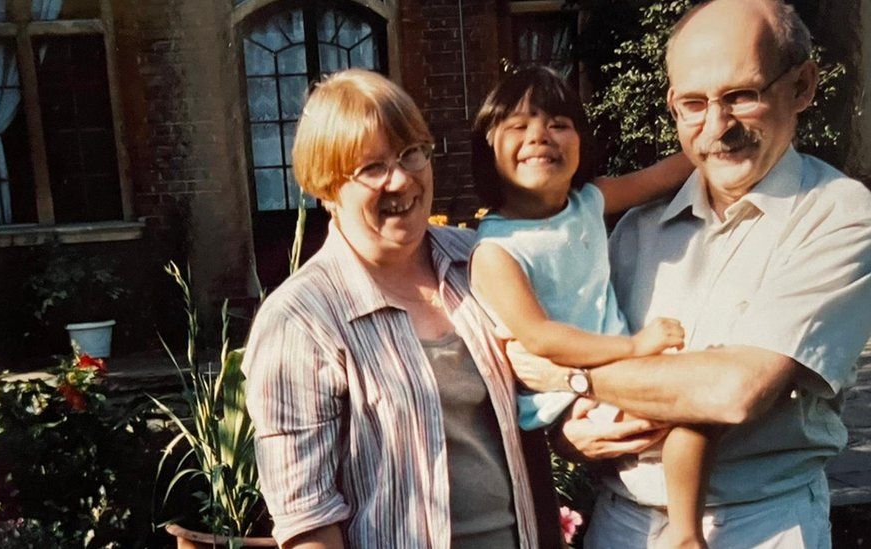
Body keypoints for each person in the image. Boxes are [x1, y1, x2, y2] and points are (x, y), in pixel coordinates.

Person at [508, 0, 871, 547]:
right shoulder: (636, 230)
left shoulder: (838, 213)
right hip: (619, 520)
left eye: (741, 96)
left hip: (760, 524)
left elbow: (733, 391)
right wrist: (568, 430)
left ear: (802, 87)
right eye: (694, 104)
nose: (718, 126)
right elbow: (572, 374)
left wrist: (565, 376)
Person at [242, 68, 563, 548]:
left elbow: (551, 394)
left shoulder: (478, 263)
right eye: (372, 168)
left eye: (412, 153)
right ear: (327, 188)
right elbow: (308, 524)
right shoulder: (301, 321)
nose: (401, 180)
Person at [469, 64, 710, 549]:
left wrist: (706, 133)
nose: (540, 135)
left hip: (617, 373)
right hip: (566, 398)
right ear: (488, 149)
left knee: (693, 408)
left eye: (558, 123)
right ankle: (685, 533)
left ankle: (683, 528)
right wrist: (635, 345)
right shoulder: (496, 250)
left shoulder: (587, 202)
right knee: (689, 408)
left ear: (581, 142)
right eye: (518, 126)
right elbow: (540, 337)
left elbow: (659, 176)